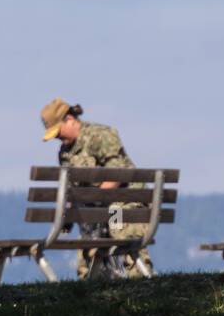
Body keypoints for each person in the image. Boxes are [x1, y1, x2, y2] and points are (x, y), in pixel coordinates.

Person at [39, 98, 153, 280]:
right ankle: (93, 291)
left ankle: (138, 283)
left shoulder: (100, 136)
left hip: (122, 202)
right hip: (94, 209)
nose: (58, 138)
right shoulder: (65, 153)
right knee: (88, 253)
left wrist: (93, 200)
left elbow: (117, 173)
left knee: (121, 233)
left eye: (58, 132)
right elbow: (71, 189)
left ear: (69, 119)